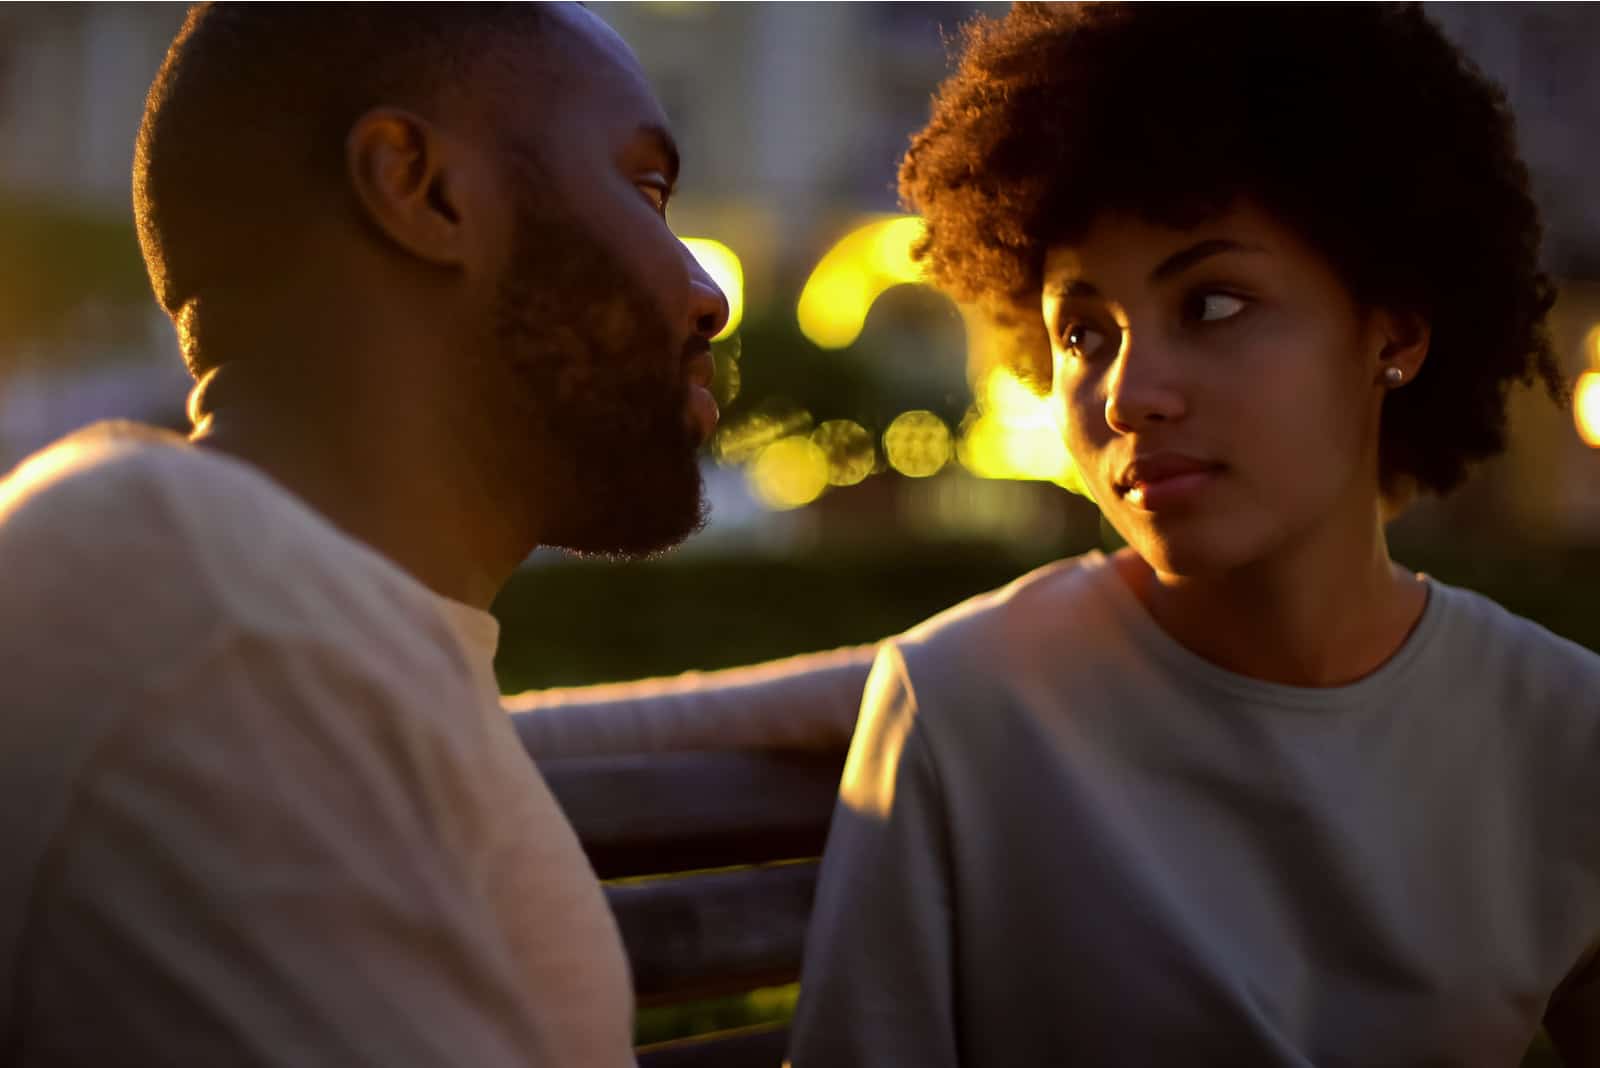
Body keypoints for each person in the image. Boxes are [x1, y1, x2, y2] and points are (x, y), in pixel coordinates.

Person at [518, 5, 1600, 1065]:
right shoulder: (965, 703)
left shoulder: (1559, 730)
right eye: (1084, 332)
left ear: (1393, 332)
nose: (1128, 394)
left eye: (1214, 305)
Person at [0, 4, 726, 1065]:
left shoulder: (295, 624)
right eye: (645, 190)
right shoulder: (210, 603)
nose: (705, 292)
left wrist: (944, 681)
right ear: (421, 189)